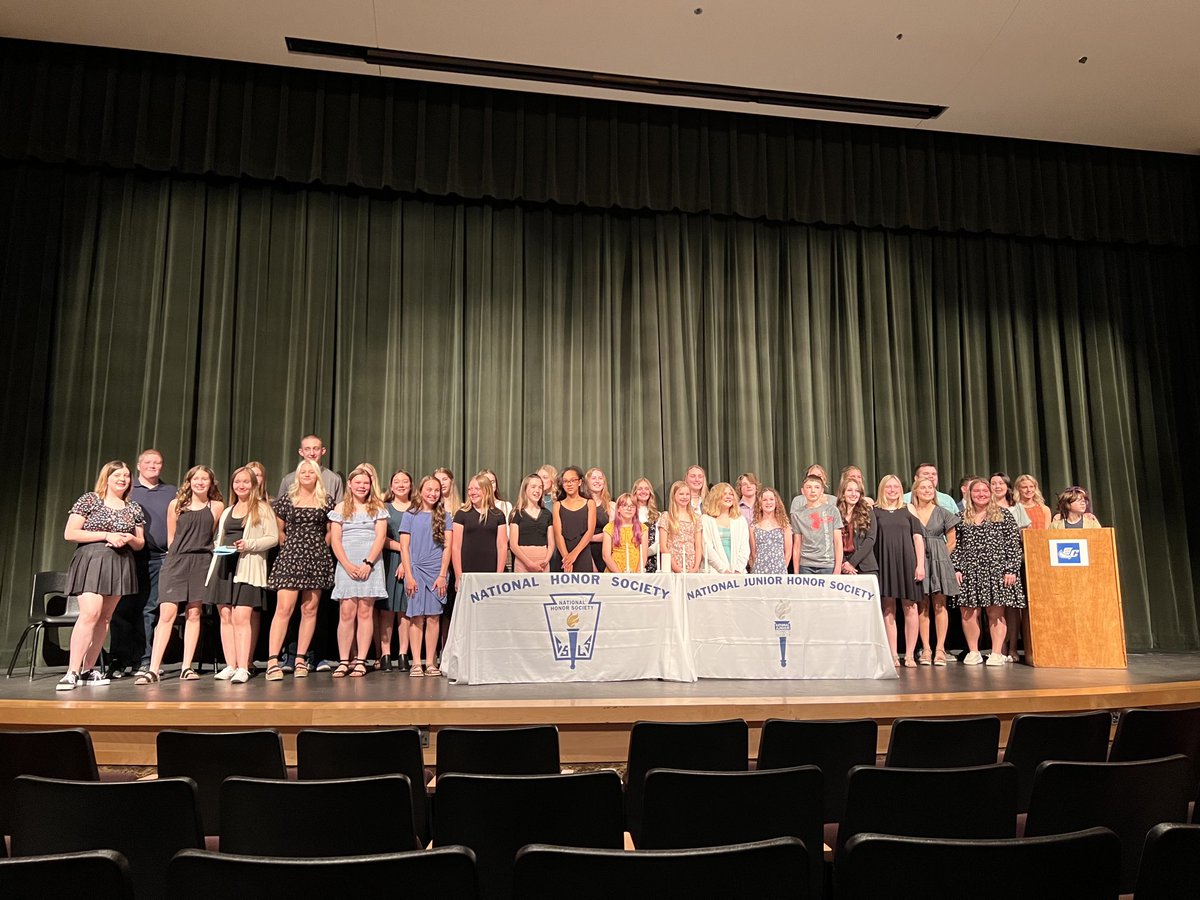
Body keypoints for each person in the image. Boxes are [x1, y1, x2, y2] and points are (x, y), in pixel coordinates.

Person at [59, 461, 146, 691]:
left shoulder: (133, 507)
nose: (123, 479)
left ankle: (88, 669)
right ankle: (72, 672)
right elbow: (71, 533)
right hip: (92, 559)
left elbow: (140, 543)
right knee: (90, 613)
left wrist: (128, 539)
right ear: (106, 477)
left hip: (119, 562)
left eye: (127, 476)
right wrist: (107, 534)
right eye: (118, 475)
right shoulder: (90, 499)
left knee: (105, 617)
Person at [138, 466, 224, 683]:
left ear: (211, 483)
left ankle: (187, 666)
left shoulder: (216, 506)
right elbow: (171, 537)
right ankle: (153, 668)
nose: (200, 482)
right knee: (167, 614)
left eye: (205, 478)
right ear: (189, 481)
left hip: (201, 562)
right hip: (176, 561)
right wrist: (173, 559)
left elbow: (211, 535)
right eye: (196, 478)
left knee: (194, 613)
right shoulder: (176, 505)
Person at [262, 459, 335, 681]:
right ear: (297, 475)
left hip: (316, 558)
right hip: (291, 556)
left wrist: (321, 547)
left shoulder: (326, 501)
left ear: (317, 476)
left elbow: (331, 530)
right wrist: (290, 546)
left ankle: (301, 658)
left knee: (309, 610)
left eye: (310, 472)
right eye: (302, 471)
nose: (306, 474)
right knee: (284, 608)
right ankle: (273, 660)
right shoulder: (287, 500)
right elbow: (278, 529)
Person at [205, 466, 277, 683]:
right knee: (225, 616)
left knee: (241, 617)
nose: (241, 486)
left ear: (253, 484)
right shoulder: (228, 510)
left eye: (246, 481)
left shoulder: (262, 509)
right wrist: (217, 548)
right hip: (224, 565)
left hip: (247, 567)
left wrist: (249, 544)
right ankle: (231, 664)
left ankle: (244, 666)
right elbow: (220, 537)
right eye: (237, 482)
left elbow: (272, 537)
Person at [952, 477, 1027, 666]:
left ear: (990, 493)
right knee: (968, 613)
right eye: (976, 491)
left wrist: (1011, 569)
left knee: (995, 613)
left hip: (997, 571)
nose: (981, 494)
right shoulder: (960, 517)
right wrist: (957, 568)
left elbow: (1013, 545)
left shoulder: (1003, 515)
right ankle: (974, 651)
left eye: (985, 491)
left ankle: (996, 652)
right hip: (969, 572)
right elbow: (956, 546)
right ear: (969, 494)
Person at [327, 466, 389, 678]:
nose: (362, 486)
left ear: (370, 485)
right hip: (347, 564)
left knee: (365, 612)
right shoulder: (341, 507)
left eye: (366, 483)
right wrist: (347, 564)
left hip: (369, 565)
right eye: (358, 483)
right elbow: (335, 540)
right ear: (350, 485)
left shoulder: (377, 508)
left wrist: (368, 563)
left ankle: (362, 660)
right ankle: (345, 661)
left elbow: (380, 537)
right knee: (346, 613)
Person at [400, 475, 454, 678]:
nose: (432, 493)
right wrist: (410, 575)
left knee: (433, 617)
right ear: (421, 491)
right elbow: (404, 547)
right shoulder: (410, 515)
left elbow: (448, 547)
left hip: (436, 572)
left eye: (436, 490)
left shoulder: (445, 516)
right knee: (416, 617)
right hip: (415, 572)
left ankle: (430, 662)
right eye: (429, 489)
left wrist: (442, 575)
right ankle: (416, 662)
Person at [127, 449, 174, 679]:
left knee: (149, 608)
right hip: (126, 557)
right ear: (138, 465)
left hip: (159, 559)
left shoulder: (172, 492)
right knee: (122, 609)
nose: (153, 466)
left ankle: (146, 660)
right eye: (148, 462)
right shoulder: (127, 489)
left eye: (157, 462)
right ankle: (121, 659)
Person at [874, 474, 926, 668]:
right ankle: (893, 654)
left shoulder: (908, 508)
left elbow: (918, 538)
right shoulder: (875, 511)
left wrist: (920, 565)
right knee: (888, 608)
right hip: (885, 562)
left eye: (896, 486)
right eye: (888, 487)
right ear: (882, 489)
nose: (892, 490)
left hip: (907, 562)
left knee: (910, 608)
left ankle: (910, 654)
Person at [908, 476, 961, 666]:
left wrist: (941, 557)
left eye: (930, 487)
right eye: (923, 487)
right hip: (919, 562)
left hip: (940, 562)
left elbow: (952, 540)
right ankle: (926, 649)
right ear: (915, 491)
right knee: (922, 607)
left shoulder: (943, 512)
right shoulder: (910, 512)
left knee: (940, 605)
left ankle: (940, 649)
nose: (927, 490)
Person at [378, 469, 414, 671]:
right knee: (387, 610)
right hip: (389, 561)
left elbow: (420, 537)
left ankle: (403, 653)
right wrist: (402, 549)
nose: (401, 485)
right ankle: (385, 654)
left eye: (405, 481)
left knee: (405, 610)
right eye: (397, 482)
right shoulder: (384, 508)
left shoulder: (416, 508)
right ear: (391, 486)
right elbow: (380, 538)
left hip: (411, 564)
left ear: (410, 485)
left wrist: (406, 559)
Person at [452, 475, 509, 580]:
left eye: (477, 489)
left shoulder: (498, 515)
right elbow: (456, 547)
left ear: (486, 490)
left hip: (491, 572)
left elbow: (502, 546)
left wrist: (499, 575)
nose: (472, 492)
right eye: (470, 489)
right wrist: (458, 576)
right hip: (467, 573)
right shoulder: (461, 514)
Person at [790, 474, 844, 575]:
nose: (813, 491)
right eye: (809, 487)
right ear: (803, 491)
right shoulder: (797, 514)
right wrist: (796, 571)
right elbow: (797, 544)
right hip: (805, 565)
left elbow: (838, 542)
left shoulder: (832, 510)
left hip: (827, 565)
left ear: (822, 490)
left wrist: (837, 568)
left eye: (817, 487)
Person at [552, 466, 596, 573]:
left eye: (573, 480)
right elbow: (558, 534)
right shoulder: (557, 505)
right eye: (566, 481)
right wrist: (566, 559)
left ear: (580, 482)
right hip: (563, 554)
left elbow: (590, 532)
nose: (569, 484)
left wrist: (574, 555)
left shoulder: (590, 503)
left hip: (582, 552)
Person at [277, 434, 345, 504]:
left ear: (323, 451)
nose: (312, 453)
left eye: (316, 449)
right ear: (301, 452)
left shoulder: (334, 479)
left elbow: (339, 510)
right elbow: (279, 509)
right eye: (307, 449)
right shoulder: (289, 479)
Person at [701, 483, 751, 574]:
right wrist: (723, 570)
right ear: (715, 497)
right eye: (724, 494)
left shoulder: (740, 520)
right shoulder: (706, 519)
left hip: (738, 574)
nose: (729, 497)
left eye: (731, 494)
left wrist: (738, 570)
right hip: (714, 573)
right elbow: (707, 548)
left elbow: (745, 548)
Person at [509, 474, 554, 573]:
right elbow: (513, 544)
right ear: (525, 489)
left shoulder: (547, 514)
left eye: (540, 487)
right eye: (533, 487)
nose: (537, 490)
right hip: (522, 565)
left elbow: (551, 544)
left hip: (543, 565)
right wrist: (529, 563)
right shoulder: (516, 514)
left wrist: (545, 562)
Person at [660, 480, 703, 573]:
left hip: (691, 564)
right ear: (674, 495)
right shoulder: (666, 516)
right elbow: (663, 546)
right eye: (681, 494)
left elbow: (698, 545)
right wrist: (675, 566)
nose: (684, 497)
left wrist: (695, 567)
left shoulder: (696, 518)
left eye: (687, 494)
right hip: (672, 563)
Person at [749, 488, 793, 575]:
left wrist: (782, 568)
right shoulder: (753, 526)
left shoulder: (784, 525)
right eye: (764, 500)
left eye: (771, 499)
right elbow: (753, 553)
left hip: (779, 570)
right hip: (759, 570)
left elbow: (788, 553)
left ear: (776, 502)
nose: (768, 502)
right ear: (760, 504)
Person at [603, 492, 648, 573]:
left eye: (632, 506)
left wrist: (638, 574)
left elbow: (644, 555)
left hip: (636, 571)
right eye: (625, 505)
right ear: (618, 509)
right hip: (615, 573)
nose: (629, 509)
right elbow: (606, 556)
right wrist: (621, 576)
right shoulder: (609, 528)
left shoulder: (643, 528)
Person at [585, 467, 616, 573]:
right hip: (584, 552)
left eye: (600, 478)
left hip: (605, 552)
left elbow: (612, 533)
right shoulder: (581, 504)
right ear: (587, 481)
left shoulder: (611, 506)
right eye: (593, 478)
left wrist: (588, 538)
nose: (597, 481)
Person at [631, 477, 661, 573]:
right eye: (640, 489)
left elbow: (659, 541)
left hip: (652, 560)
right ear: (635, 492)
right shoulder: (629, 512)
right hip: (631, 558)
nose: (643, 491)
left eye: (646, 488)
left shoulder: (658, 515)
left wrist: (645, 554)